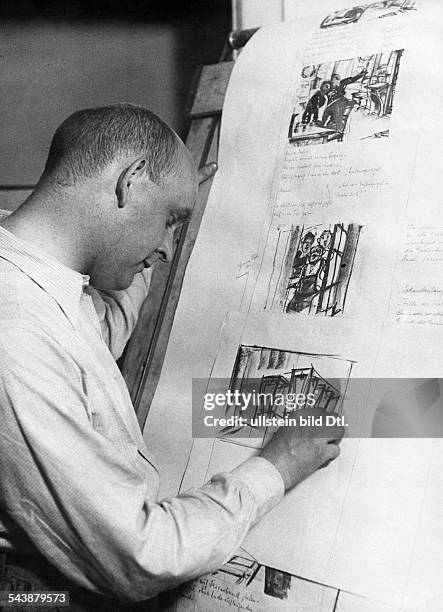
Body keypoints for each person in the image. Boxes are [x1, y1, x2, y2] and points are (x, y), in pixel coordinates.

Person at [0, 104, 344, 609]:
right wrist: (279, 465)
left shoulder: (32, 272)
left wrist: (156, 222)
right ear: (131, 180)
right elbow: (141, 555)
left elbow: (94, 338)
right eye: (172, 221)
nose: (168, 246)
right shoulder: (18, 335)